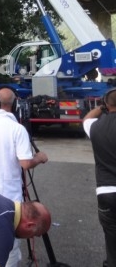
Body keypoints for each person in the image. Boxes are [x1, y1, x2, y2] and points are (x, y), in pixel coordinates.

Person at [0, 86, 48, 266]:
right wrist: (38, 158)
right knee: (7, 245)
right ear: (15, 104)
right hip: (8, 198)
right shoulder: (17, 129)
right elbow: (25, 164)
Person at [83, 89, 116, 267]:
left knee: (111, 238)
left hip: (106, 191)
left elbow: (87, 118)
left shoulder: (95, 126)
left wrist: (101, 108)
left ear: (106, 104)